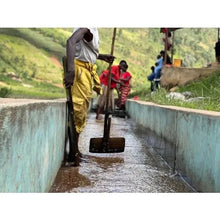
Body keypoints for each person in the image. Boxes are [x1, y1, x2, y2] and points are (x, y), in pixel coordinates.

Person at [64, 28, 114, 160]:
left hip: (86, 71)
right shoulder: (87, 25)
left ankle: (75, 150)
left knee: (81, 113)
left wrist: (102, 57)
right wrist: (70, 70)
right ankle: (73, 152)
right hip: (79, 71)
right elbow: (71, 42)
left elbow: (86, 52)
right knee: (78, 112)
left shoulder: (92, 28)